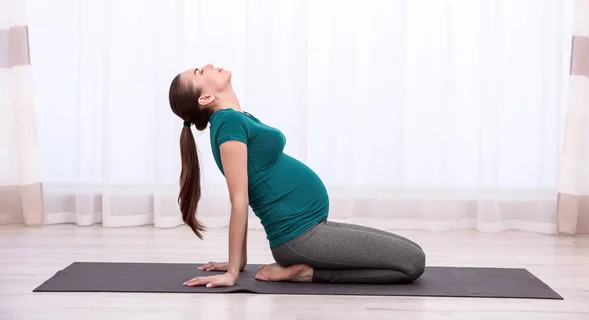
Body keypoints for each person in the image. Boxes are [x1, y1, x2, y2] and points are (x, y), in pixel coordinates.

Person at [169, 64, 426, 289]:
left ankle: (302, 268)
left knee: (412, 252)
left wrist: (240, 261)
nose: (208, 65)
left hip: (311, 228)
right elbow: (239, 198)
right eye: (200, 72)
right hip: (299, 237)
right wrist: (232, 271)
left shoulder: (235, 119)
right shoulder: (228, 123)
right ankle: (306, 274)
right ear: (206, 98)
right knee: (412, 264)